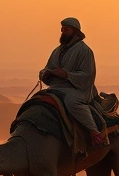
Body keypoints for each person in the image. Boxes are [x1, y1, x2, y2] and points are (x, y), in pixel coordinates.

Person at [40, 17, 105, 147]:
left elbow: (88, 75)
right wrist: (44, 74)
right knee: (38, 100)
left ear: (75, 31)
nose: (63, 32)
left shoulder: (84, 51)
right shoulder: (57, 51)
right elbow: (47, 67)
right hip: (56, 87)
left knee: (72, 102)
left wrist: (66, 74)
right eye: (62, 29)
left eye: (66, 29)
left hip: (78, 89)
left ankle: (94, 132)